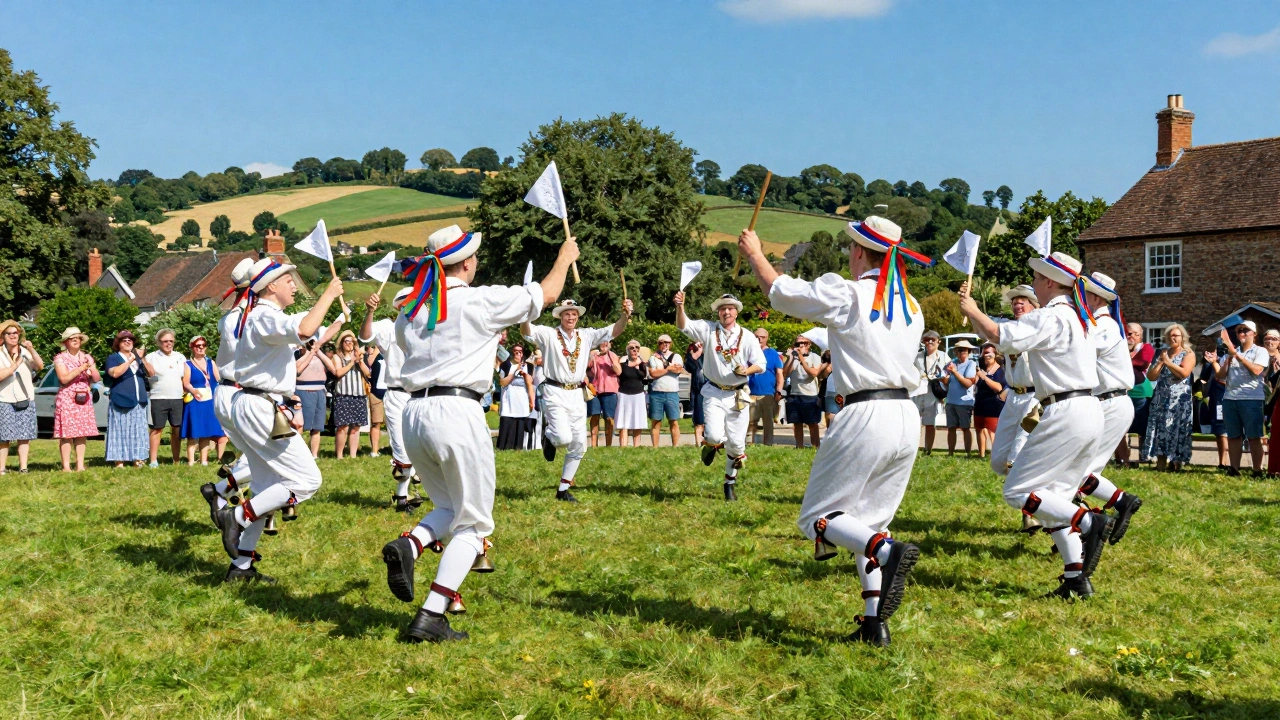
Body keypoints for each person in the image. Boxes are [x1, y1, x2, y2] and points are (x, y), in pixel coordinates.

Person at [381, 224, 576, 643]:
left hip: (414, 413)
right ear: (467, 262)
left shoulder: (410, 309)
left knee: (449, 507)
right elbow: (545, 295)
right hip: (457, 410)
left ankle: (411, 545)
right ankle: (431, 615)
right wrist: (565, 257)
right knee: (475, 525)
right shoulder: (478, 300)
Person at [739, 216, 926, 647]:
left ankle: (886, 552)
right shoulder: (911, 305)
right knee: (871, 521)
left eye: (850, 250)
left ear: (859, 252)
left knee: (817, 518)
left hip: (867, 413)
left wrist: (754, 254)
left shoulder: (850, 292)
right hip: (905, 414)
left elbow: (783, 294)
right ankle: (874, 625)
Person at [959, 251, 1112, 601]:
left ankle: (1090, 523)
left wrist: (971, 310)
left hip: (1065, 409)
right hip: (1086, 407)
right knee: (1052, 496)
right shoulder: (1077, 316)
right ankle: (1076, 579)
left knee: (1018, 491)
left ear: (1046, 282)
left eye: (1036, 281)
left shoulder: (1053, 316)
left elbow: (999, 334)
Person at [215, 241, 346, 584]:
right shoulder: (265, 316)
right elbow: (303, 329)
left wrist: (330, 325)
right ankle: (237, 516)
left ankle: (241, 567)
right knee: (307, 480)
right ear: (271, 285)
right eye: (288, 279)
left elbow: (305, 338)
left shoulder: (257, 317)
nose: (293, 284)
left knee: (265, 486)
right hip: (259, 406)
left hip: (253, 403)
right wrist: (330, 294)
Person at [523, 298, 632, 501]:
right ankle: (548, 435)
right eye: (566, 313)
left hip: (576, 394)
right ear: (560, 316)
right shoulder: (548, 334)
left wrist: (625, 316)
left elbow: (615, 330)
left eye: (574, 314)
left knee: (580, 444)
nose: (571, 317)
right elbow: (527, 332)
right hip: (554, 391)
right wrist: (526, 313)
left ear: (578, 316)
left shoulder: (587, 335)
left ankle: (563, 490)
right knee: (563, 438)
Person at [677, 292, 765, 501]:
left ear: (736, 312)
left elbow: (761, 364)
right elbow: (683, 325)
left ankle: (729, 482)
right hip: (714, 391)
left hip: (738, 395)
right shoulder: (708, 329)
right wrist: (680, 307)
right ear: (718, 311)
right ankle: (711, 444)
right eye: (723, 308)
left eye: (730, 308)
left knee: (736, 444)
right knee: (715, 435)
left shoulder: (748, 336)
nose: (726, 311)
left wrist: (747, 370)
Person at [1076, 273, 1143, 542]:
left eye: (1083, 296)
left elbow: (1079, 350)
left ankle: (1120, 502)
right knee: (1079, 470)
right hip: (1106, 401)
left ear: (1093, 297)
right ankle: (1083, 524)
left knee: (1080, 472)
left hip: (1111, 402)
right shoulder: (1103, 323)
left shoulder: (1103, 325)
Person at [362, 287, 421, 510]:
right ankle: (402, 497)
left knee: (421, 446)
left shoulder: (427, 329)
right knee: (402, 449)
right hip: (397, 393)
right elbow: (365, 336)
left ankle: (405, 493)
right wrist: (369, 312)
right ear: (399, 306)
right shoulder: (388, 327)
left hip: (421, 395)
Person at [988, 285, 1041, 534]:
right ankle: (1046, 497)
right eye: (1015, 302)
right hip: (1013, 397)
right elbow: (989, 334)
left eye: (1023, 301)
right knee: (998, 461)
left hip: (1034, 396)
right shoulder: (1011, 330)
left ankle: (1031, 514)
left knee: (1016, 457)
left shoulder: (1040, 329)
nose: (1017, 305)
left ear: (1033, 305)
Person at [1216, 320, 1269, 476]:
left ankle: (1257, 470)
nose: (1242, 333)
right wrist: (1227, 360)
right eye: (1239, 331)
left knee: (1254, 436)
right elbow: (1220, 376)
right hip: (1230, 398)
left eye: (1246, 330)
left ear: (1254, 334)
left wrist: (1237, 356)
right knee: (1233, 435)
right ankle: (1234, 468)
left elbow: (1257, 370)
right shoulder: (1230, 353)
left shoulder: (1260, 351)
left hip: (1252, 399)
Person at [1142, 324, 1195, 471]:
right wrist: (1160, 362)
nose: (1173, 338)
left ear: (1182, 337)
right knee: (1161, 430)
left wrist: (1168, 362)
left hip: (1179, 400)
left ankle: (1176, 463)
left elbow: (1183, 373)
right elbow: (1151, 376)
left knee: (1176, 429)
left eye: (1176, 335)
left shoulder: (1188, 353)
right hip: (1161, 398)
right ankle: (1160, 462)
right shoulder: (1163, 353)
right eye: (1170, 335)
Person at [53, 327, 101, 472]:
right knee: (66, 434)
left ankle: (80, 465)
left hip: (84, 398)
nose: (76, 340)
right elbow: (64, 378)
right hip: (67, 397)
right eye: (72, 338)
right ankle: (66, 466)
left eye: (78, 337)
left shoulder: (86, 356)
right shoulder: (60, 358)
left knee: (82, 432)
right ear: (65, 342)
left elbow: (97, 378)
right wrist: (82, 368)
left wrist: (91, 367)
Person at [0, 320, 43, 474]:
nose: (13, 336)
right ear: (3, 336)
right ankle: (1, 468)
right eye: (9, 333)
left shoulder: (24, 352)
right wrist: (15, 365)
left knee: (24, 435)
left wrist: (31, 349)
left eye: (15, 333)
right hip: (4, 399)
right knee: (4, 437)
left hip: (26, 398)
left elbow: (40, 366)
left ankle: (23, 467)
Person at [103, 330, 149, 469]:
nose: (128, 341)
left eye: (130, 339)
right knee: (119, 430)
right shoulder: (114, 358)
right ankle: (119, 460)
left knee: (138, 430)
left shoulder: (138, 359)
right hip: (121, 399)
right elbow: (115, 373)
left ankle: (138, 458)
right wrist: (131, 360)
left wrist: (142, 359)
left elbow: (151, 373)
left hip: (139, 400)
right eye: (124, 340)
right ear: (118, 343)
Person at [180, 336, 224, 466]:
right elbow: (186, 383)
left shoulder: (211, 362)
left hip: (209, 399)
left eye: (203, 345)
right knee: (193, 432)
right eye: (197, 345)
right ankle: (191, 461)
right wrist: (194, 391)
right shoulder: (188, 364)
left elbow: (218, 379)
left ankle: (204, 460)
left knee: (206, 431)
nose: (200, 348)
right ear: (192, 347)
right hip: (195, 399)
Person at [1117, 322, 1155, 468]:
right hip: (1122, 392)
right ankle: (1123, 459)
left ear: (1140, 336)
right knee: (1121, 427)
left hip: (1140, 392)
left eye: (1134, 333)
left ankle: (1143, 458)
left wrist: (1123, 360)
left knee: (1142, 427)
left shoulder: (1146, 348)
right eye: (1128, 333)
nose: (1130, 336)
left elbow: (1142, 362)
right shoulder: (1120, 347)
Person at [294, 333, 337, 458]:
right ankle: (299, 454)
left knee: (317, 426)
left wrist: (318, 351)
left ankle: (314, 454)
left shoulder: (320, 357)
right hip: (303, 391)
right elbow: (298, 369)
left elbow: (332, 367)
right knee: (302, 425)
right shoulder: (297, 356)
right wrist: (309, 352)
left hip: (319, 392)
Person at [329, 330, 370, 460]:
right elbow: (338, 373)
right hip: (343, 394)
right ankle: (340, 455)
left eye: (352, 342)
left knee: (356, 426)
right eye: (347, 341)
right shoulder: (337, 357)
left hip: (359, 394)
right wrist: (351, 363)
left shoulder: (359, 356)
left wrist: (360, 361)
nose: (349, 344)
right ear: (342, 343)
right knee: (342, 426)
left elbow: (368, 373)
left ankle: (353, 455)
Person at [783, 335, 823, 449]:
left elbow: (814, 373)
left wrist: (802, 359)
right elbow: (785, 373)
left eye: (804, 343)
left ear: (809, 344)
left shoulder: (814, 357)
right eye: (797, 344)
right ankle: (799, 446)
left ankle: (815, 447)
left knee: (812, 423)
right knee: (797, 423)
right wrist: (791, 358)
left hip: (810, 394)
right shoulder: (794, 358)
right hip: (795, 393)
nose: (801, 346)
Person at [645, 333, 683, 449]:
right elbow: (653, 373)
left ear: (670, 344)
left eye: (666, 342)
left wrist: (664, 369)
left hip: (672, 392)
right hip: (656, 392)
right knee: (656, 421)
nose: (664, 344)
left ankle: (675, 446)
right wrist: (668, 369)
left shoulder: (676, 356)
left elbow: (678, 370)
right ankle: (655, 447)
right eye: (661, 342)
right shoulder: (653, 357)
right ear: (658, 344)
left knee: (674, 421)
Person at [747, 328, 784, 445]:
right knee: (749, 421)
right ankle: (748, 444)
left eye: (763, 337)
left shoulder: (773, 353)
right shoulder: (749, 352)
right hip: (751, 392)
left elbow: (779, 374)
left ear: (767, 339)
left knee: (768, 422)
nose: (759, 339)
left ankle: (768, 445)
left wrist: (778, 391)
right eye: (757, 336)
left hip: (767, 393)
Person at [496, 345, 536, 450]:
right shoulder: (506, 365)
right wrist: (514, 373)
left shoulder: (529, 367)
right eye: (515, 351)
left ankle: (517, 448)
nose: (517, 354)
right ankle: (504, 447)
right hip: (508, 399)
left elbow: (530, 385)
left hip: (522, 399)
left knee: (520, 424)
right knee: (507, 423)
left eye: (520, 352)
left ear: (523, 353)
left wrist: (532, 401)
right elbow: (502, 382)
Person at [941, 340, 977, 456]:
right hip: (950, 400)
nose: (961, 352)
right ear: (955, 352)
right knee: (951, 428)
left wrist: (955, 372)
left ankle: (968, 453)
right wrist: (942, 378)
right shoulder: (952, 363)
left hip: (964, 402)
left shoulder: (971, 364)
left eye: (964, 350)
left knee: (965, 428)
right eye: (958, 350)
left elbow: (968, 383)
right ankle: (950, 453)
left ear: (968, 352)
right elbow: (947, 381)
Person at [971, 342, 1006, 459]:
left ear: (995, 354)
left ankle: (995, 455)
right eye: (983, 353)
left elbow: (999, 388)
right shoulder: (982, 369)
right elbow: (976, 384)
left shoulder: (1000, 371)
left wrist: (984, 377)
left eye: (988, 353)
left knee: (992, 431)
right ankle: (981, 455)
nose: (985, 355)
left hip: (994, 405)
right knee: (979, 429)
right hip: (980, 403)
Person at [914, 330, 946, 454]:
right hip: (917, 393)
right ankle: (914, 448)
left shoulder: (943, 356)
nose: (930, 342)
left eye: (933, 339)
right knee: (916, 423)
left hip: (933, 394)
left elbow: (948, 375)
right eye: (927, 340)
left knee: (930, 423)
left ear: (939, 341)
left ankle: (928, 449)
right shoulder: (917, 356)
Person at [586, 340, 621, 448]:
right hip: (594, 390)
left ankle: (608, 445)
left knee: (609, 418)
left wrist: (610, 357)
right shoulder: (593, 354)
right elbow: (585, 368)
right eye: (602, 342)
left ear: (610, 344)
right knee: (594, 416)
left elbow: (618, 371)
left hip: (610, 390)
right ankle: (593, 444)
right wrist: (591, 357)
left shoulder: (613, 356)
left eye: (607, 343)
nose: (604, 344)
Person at [1198, 349, 1229, 470]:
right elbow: (1203, 380)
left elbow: (1223, 379)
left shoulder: (1234, 357)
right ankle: (1222, 462)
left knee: (1232, 432)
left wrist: (1215, 363)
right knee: (1220, 431)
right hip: (1217, 399)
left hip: (1232, 396)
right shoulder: (1211, 362)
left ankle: (1231, 462)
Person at [615, 340, 649, 447]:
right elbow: (619, 370)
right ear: (627, 350)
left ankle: (636, 446)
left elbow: (645, 376)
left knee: (637, 421)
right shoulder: (623, 364)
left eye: (637, 348)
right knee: (623, 422)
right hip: (624, 394)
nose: (634, 350)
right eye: (632, 348)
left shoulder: (643, 364)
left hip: (638, 394)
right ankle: (623, 446)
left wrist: (639, 364)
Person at [1263, 329, 1280, 477]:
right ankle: (1271, 468)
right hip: (1264, 399)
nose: (1270, 341)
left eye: (1274, 339)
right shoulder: (1260, 356)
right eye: (1267, 338)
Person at [685, 341, 706, 446]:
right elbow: (689, 366)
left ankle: (710, 443)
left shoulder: (712, 354)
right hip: (698, 391)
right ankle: (698, 444)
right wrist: (697, 353)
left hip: (711, 390)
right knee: (699, 420)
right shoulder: (692, 354)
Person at [365, 345, 384, 456]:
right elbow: (369, 365)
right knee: (376, 422)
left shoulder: (391, 352)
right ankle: (375, 451)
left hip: (391, 391)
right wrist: (376, 349)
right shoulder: (374, 354)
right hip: (376, 392)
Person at [819, 349, 840, 426]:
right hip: (831, 390)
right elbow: (823, 378)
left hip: (835, 390)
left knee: (832, 416)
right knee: (830, 415)